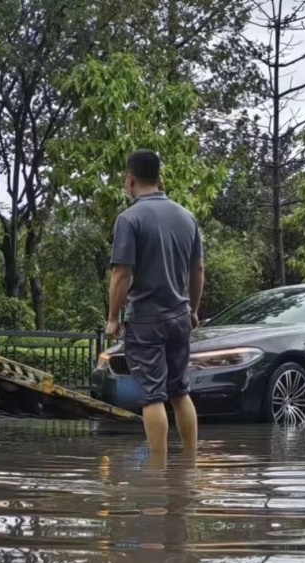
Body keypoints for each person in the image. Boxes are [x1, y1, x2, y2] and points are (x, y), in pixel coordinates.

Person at [106, 150, 204, 456]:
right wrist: (193, 310)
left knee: (152, 397)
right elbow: (198, 269)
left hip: (146, 320)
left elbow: (122, 273)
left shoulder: (129, 218)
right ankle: (190, 466)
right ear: (160, 178)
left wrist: (112, 318)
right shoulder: (187, 217)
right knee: (181, 393)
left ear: (130, 180)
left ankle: (158, 476)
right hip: (179, 317)